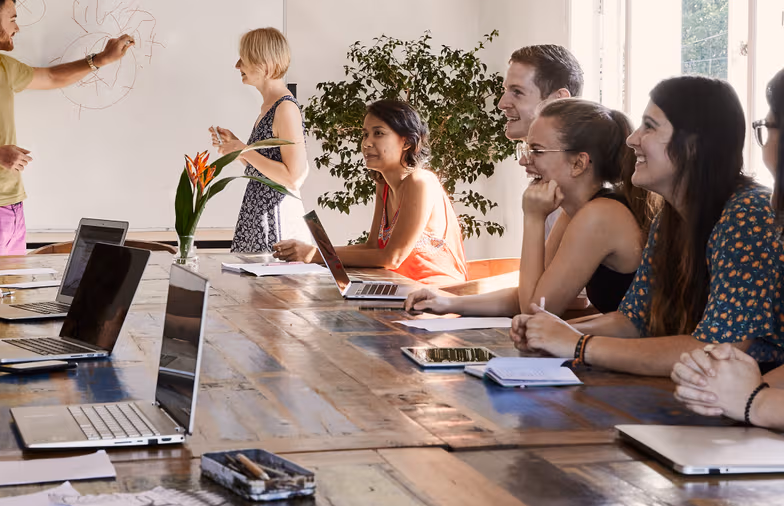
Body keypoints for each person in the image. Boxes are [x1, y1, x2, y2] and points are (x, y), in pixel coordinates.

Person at [512, 75, 784, 375]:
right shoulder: (670, 216)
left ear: (692, 146)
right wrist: (551, 330)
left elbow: (717, 352)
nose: (632, 139)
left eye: (650, 127)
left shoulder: (748, 213)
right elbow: (633, 320)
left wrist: (578, 344)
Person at [405, 99, 650, 316]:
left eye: (537, 151)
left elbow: (536, 310)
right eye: (526, 149)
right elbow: (528, 294)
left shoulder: (600, 216)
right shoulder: (573, 212)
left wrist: (533, 218)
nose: (524, 160)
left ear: (578, 163)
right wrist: (450, 302)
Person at [0, 0, 134, 256]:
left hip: (12, 204)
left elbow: (51, 77)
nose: (17, 28)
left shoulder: (2, 66)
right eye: (13, 19)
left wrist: (100, 59)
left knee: (12, 294)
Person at [672, 68, 784, 428]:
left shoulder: (748, 210)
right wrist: (729, 390)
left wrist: (755, 401)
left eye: (768, 129)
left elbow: (729, 344)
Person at [273, 100, 468, 286]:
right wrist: (313, 252)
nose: (367, 143)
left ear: (407, 142)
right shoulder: (383, 184)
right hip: (399, 288)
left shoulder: (420, 182)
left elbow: (392, 257)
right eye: (365, 134)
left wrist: (315, 254)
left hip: (436, 296)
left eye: (379, 133)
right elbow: (373, 246)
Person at [210, 27, 310, 254]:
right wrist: (236, 148)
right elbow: (266, 170)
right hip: (258, 216)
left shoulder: (285, 108)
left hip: (276, 220)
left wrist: (245, 151)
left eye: (243, 60)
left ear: (264, 65)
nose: (237, 66)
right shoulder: (269, 108)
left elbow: (293, 178)